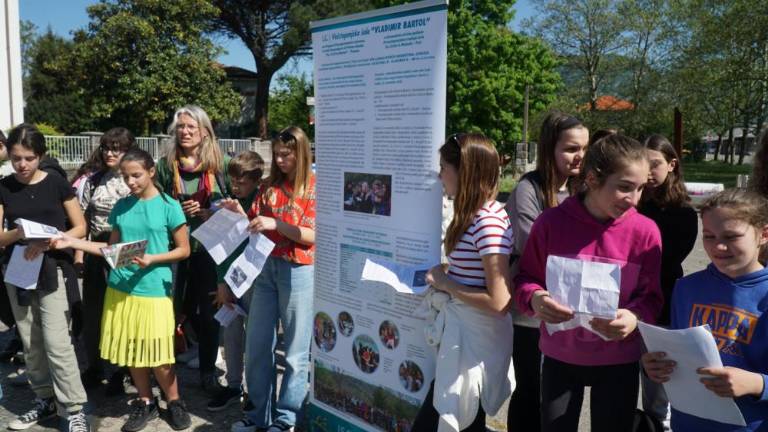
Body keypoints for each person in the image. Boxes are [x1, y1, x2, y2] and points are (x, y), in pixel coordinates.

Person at [515, 134, 663, 431]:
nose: (634, 199)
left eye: (641, 188)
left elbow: (653, 297)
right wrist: (535, 299)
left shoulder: (645, 232)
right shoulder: (551, 223)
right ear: (593, 179)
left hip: (618, 360)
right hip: (560, 357)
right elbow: (525, 279)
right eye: (624, 187)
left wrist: (634, 318)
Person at [52, 148, 192, 432]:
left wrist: (154, 258)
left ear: (151, 172)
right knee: (133, 351)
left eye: (136, 175)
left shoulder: (169, 206)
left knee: (160, 355)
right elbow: (111, 251)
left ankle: (174, 400)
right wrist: (72, 243)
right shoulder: (122, 206)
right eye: (126, 177)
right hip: (121, 288)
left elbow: (184, 250)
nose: (131, 182)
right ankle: (145, 400)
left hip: (153, 289)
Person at [412, 133, 515, 432]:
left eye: (444, 166)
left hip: (473, 347)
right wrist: (451, 272)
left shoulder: (487, 221)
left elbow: (499, 301)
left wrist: (446, 283)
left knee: (452, 419)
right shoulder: (476, 214)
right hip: (466, 342)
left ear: (465, 171)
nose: (440, 174)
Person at [642, 189, 768, 432]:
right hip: (688, 424)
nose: (719, 246)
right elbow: (676, 352)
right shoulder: (686, 288)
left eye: (731, 236)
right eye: (709, 236)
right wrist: (654, 365)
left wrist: (756, 384)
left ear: (763, 234)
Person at [225, 126, 316, 432]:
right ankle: (255, 415)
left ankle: (287, 419)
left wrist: (277, 223)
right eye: (276, 154)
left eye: (286, 154)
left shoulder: (314, 186)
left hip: (299, 270)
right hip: (264, 267)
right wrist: (237, 214)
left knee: (295, 351)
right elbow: (256, 225)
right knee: (257, 345)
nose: (278, 160)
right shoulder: (267, 187)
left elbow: (312, 236)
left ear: (301, 153)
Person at [0, 124, 90, 431]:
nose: (22, 165)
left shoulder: (56, 184)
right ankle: (45, 400)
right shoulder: (3, 186)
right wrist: (19, 233)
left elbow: (79, 226)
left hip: (53, 268)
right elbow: (0, 238)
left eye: (29, 157)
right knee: (30, 341)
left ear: (41, 155)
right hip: (18, 270)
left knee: (57, 342)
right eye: (16, 158)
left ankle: (74, 407)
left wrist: (53, 240)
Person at [504, 112, 588, 432]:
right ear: (550, 148)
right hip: (529, 313)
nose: (579, 155)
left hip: (571, 309)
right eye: (570, 148)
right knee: (530, 391)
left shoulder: (583, 188)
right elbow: (532, 246)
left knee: (561, 394)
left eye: (584, 147)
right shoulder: (529, 189)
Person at [156, 105, 231, 394]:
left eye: (191, 127)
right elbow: (155, 203)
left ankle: (208, 370)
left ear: (204, 131)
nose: (185, 132)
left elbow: (236, 204)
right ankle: (164, 372)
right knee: (168, 310)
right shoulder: (165, 165)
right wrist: (176, 208)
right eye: (181, 127)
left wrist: (209, 211)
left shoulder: (219, 164)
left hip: (210, 249)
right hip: (174, 248)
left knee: (210, 311)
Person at [638, 134, 698, 426]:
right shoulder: (633, 203)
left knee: (657, 387)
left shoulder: (684, 213)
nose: (648, 173)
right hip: (627, 300)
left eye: (655, 164)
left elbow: (668, 261)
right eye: (643, 164)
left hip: (663, 302)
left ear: (672, 164)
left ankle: (658, 424)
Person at [77, 128, 137, 391]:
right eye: (106, 148)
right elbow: (84, 220)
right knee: (94, 313)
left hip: (127, 249)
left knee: (122, 312)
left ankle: (123, 370)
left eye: (117, 148)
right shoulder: (93, 179)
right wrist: (80, 254)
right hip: (96, 249)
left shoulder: (134, 180)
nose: (110, 153)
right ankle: (95, 366)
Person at [208, 150, 265, 412]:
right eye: (232, 181)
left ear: (256, 180)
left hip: (256, 282)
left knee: (255, 338)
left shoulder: (264, 202)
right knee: (230, 334)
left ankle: (256, 391)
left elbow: (261, 239)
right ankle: (233, 385)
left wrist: (242, 214)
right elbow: (221, 246)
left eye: (241, 182)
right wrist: (221, 283)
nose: (235, 187)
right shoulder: (228, 202)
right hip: (231, 281)